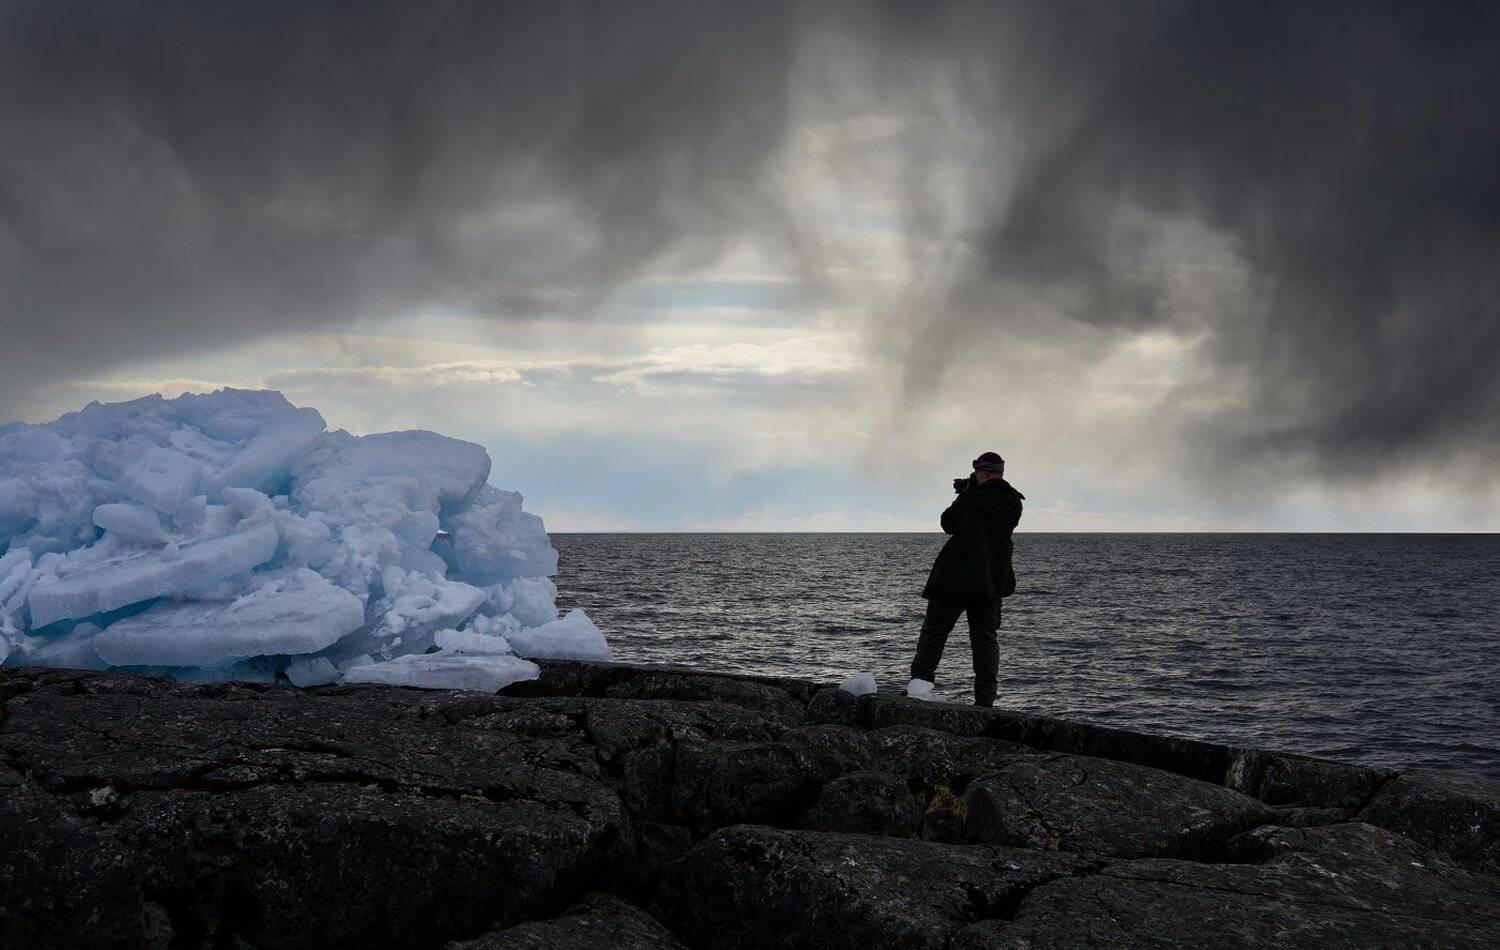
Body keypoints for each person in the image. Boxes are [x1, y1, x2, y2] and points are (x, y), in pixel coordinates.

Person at [908, 451, 1024, 706]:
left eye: (978, 472)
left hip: (955, 579)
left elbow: (948, 523)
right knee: (985, 641)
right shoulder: (1013, 501)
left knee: (934, 633)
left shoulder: (973, 497)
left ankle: (919, 688)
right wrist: (971, 491)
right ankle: (985, 701)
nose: (975, 475)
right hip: (989, 584)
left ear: (985, 473)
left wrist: (967, 492)